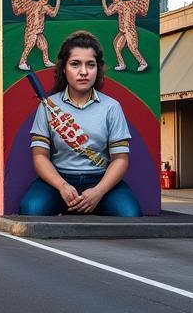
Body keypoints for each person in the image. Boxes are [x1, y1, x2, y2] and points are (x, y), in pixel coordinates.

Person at [20, 31, 142, 217]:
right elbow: (40, 157)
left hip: (101, 181)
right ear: (63, 68)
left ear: (98, 69)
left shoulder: (111, 107)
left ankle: (92, 203)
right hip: (58, 180)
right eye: (75, 64)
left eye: (90, 65)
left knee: (129, 214)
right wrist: (62, 186)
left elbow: (120, 159)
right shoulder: (47, 106)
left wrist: (98, 192)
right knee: (32, 209)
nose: (83, 72)